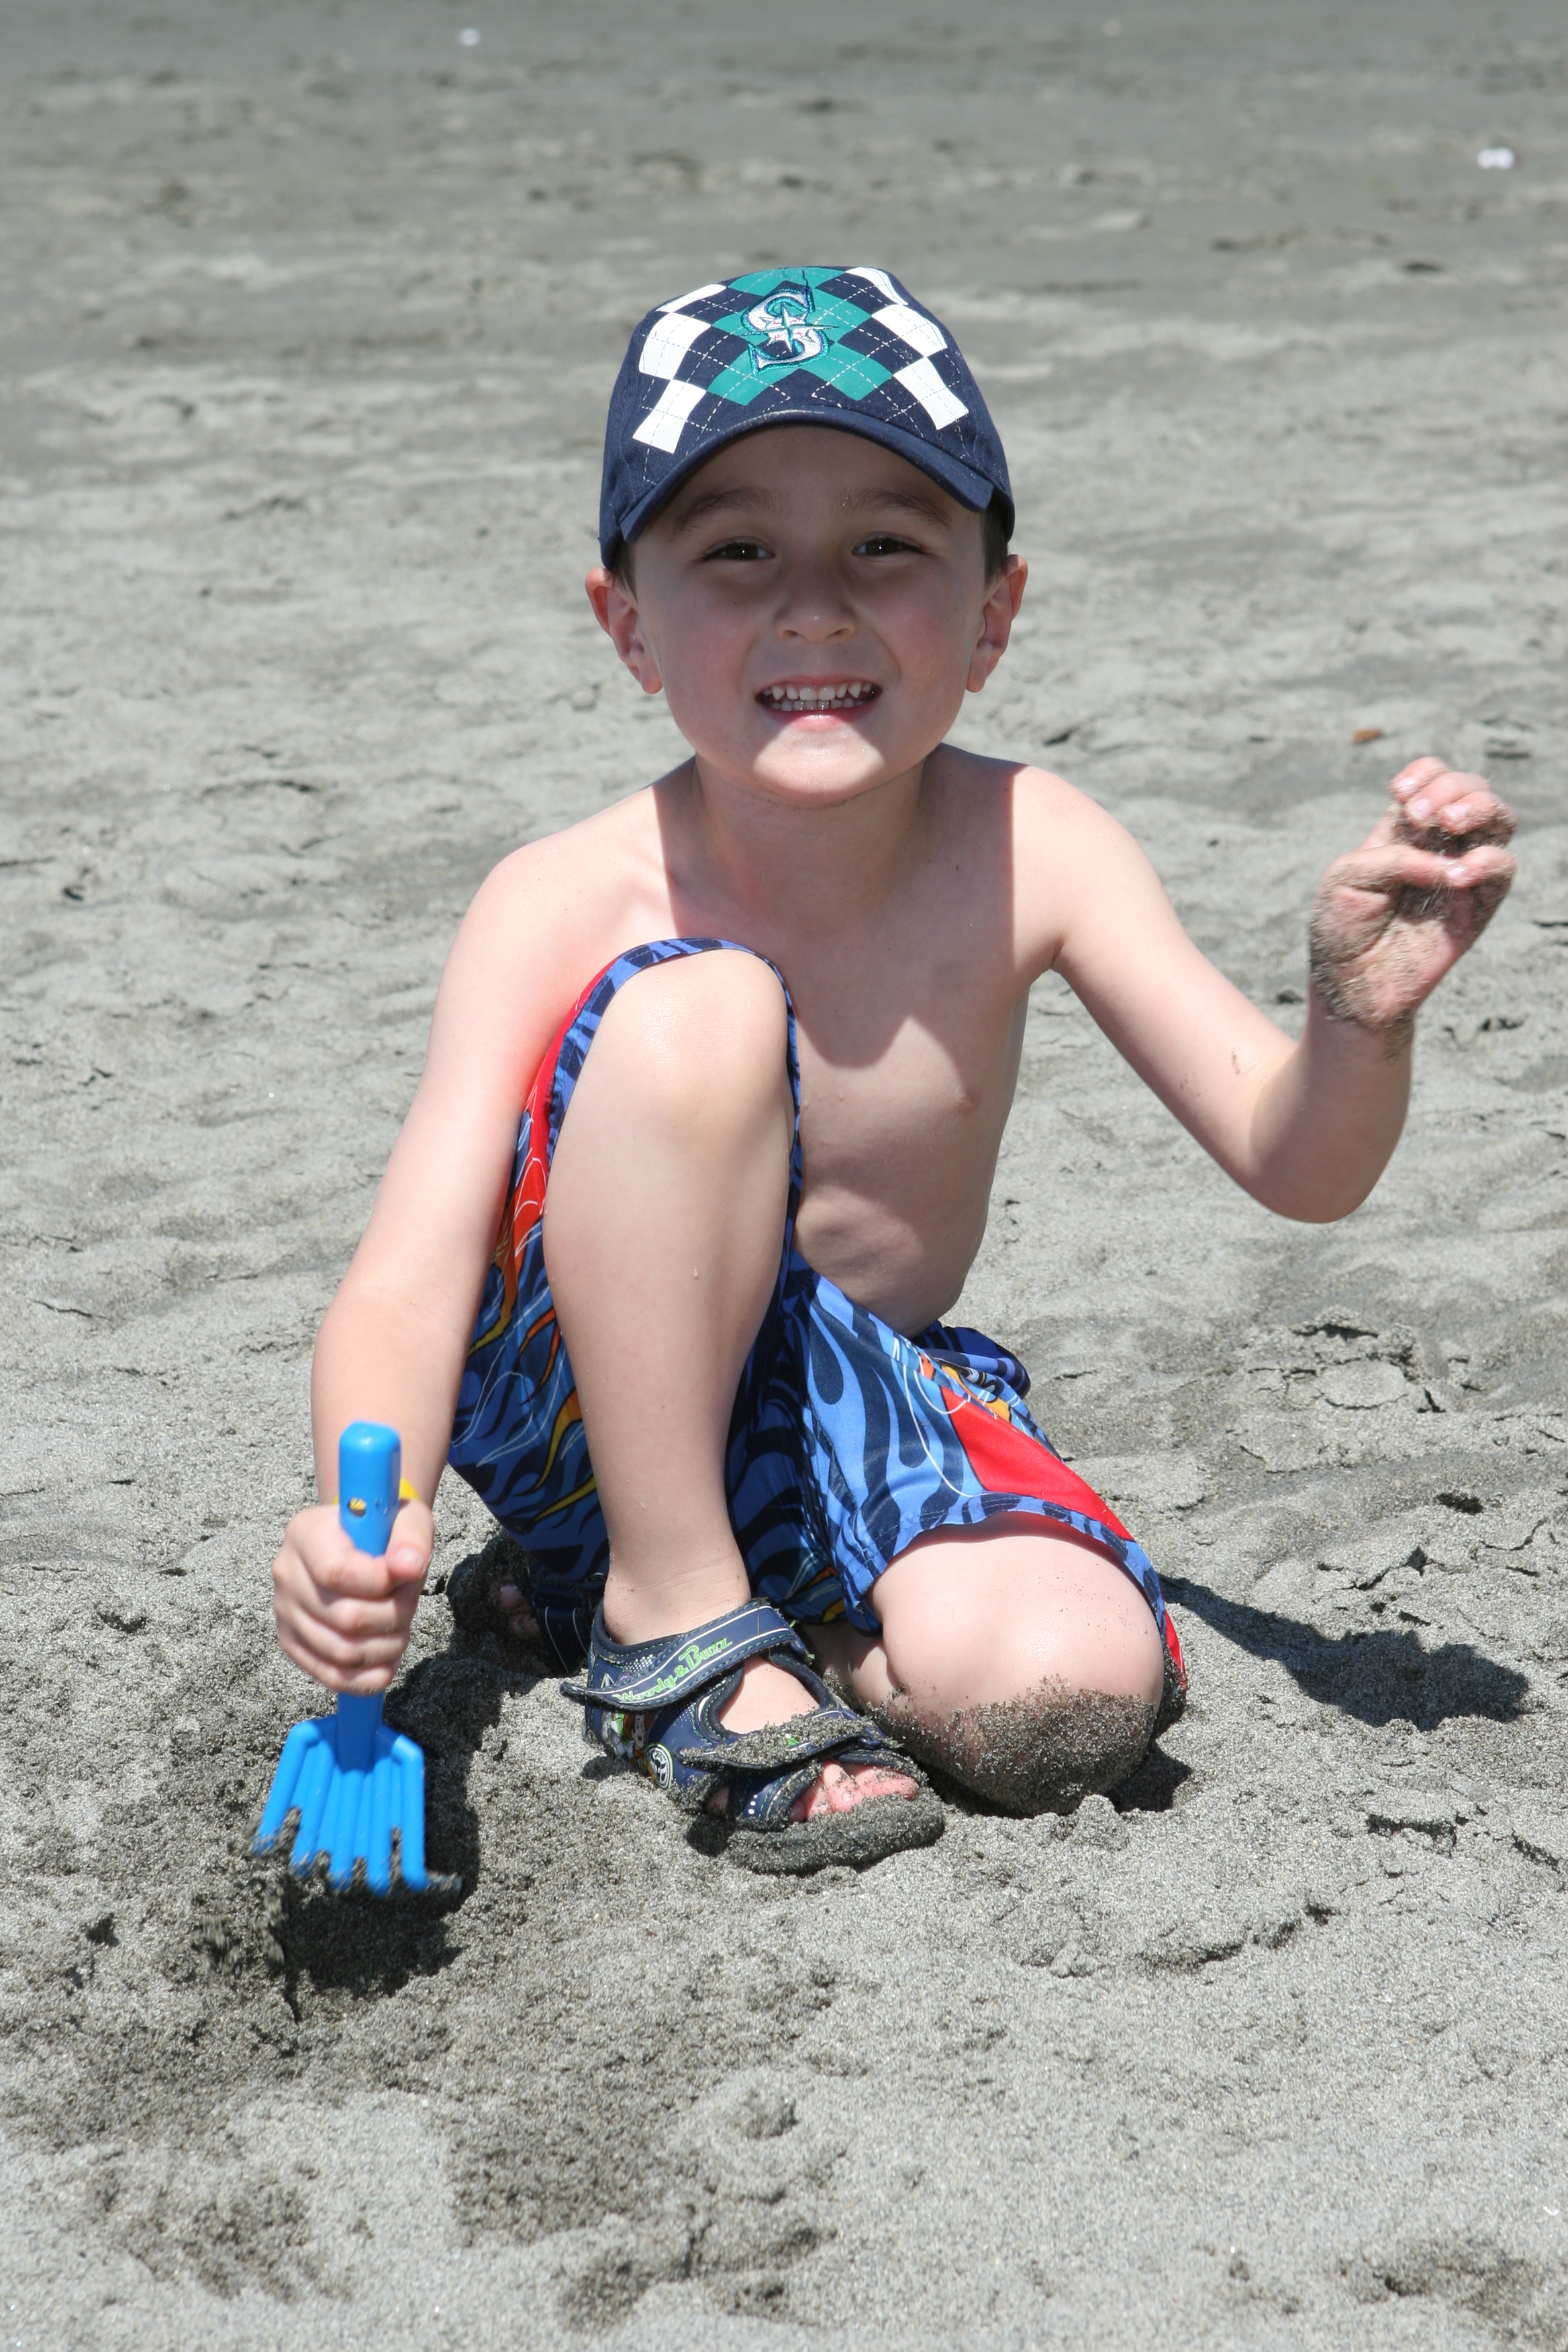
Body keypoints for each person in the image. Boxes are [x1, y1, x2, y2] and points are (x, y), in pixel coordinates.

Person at [268, 266, 1516, 1871]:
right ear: (627, 623)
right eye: (738, 551)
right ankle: (667, 1607)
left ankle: (726, 1617)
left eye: (883, 545)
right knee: (708, 1006)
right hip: (574, 1406)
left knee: (1068, 1700)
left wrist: (1357, 1016)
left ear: (992, 612)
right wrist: (355, 1518)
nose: (813, 607)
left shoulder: (1036, 845)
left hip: (850, 1394)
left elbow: (1299, 1163)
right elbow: (407, 1276)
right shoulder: (559, 896)